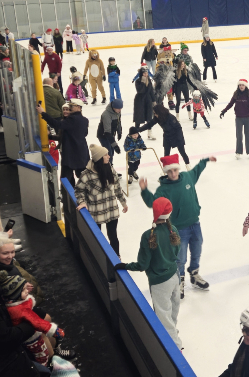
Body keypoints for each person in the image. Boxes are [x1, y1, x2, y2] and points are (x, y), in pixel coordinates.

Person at [140, 154, 217, 294]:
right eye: (170, 171)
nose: (173, 173)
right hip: (179, 229)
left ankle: (194, 275)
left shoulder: (187, 177)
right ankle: (179, 282)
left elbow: (197, 170)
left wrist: (205, 161)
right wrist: (145, 191)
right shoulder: (163, 190)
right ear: (166, 172)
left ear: (178, 169)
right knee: (180, 258)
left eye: (175, 170)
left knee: (197, 249)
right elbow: (153, 203)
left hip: (195, 223)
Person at [115, 198, 184, 348]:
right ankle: (174, 334)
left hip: (160, 282)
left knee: (163, 317)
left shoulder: (149, 236)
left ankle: (175, 348)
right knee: (173, 311)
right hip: (174, 276)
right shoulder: (174, 230)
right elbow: (177, 252)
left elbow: (143, 264)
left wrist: (126, 266)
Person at [74, 144, 127, 256]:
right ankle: (98, 258)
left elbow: (116, 186)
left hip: (111, 209)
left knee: (113, 236)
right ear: (99, 158)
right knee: (96, 237)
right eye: (106, 155)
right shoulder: (87, 175)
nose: (108, 156)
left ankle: (117, 257)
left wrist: (123, 202)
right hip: (96, 212)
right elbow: (79, 190)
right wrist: (82, 202)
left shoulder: (110, 169)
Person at [37, 98, 89, 186]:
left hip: (70, 155)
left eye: (72, 106)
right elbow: (83, 134)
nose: (71, 107)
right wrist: (50, 137)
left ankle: (68, 198)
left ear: (79, 107)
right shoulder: (84, 120)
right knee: (83, 179)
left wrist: (43, 113)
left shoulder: (72, 119)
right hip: (82, 154)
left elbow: (57, 125)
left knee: (65, 179)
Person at [220, 79, 249, 159]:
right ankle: (238, 152)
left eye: (242, 85)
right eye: (240, 85)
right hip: (239, 118)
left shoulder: (248, 95)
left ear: (245, 86)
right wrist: (224, 111)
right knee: (239, 135)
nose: (241, 86)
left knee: (248, 135)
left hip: (246, 118)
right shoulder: (236, 94)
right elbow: (230, 104)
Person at [133, 67, 155, 137]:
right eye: (144, 73)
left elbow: (151, 91)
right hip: (139, 101)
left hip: (148, 100)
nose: (146, 75)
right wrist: (143, 82)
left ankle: (150, 132)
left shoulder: (149, 80)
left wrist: (153, 100)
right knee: (138, 117)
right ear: (141, 74)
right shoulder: (138, 81)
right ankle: (136, 133)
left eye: (147, 73)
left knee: (149, 117)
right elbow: (140, 91)